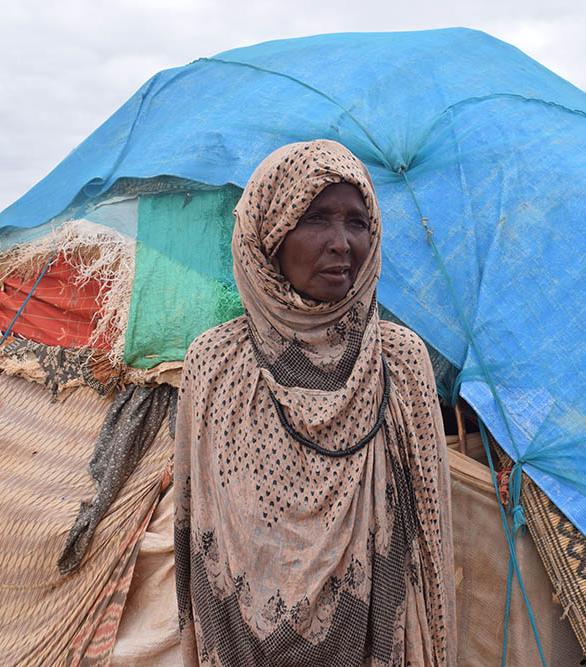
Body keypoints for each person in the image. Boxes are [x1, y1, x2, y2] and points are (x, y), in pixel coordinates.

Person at [173, 140, 456, 665]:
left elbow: (428, 550)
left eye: (357, 222)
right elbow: (198, 535)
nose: (341, 243)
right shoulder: (213, 362)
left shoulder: (399, 362)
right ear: (267, 232)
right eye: (315, 217)